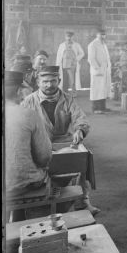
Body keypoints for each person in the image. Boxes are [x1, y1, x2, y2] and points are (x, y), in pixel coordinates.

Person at [21, 65, 99, 215]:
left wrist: (80, 130)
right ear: (38, 82)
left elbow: (80, 118)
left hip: (64, 140)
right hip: (38, 144)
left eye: (53, 81)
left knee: (82, 159)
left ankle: (82, 201)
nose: (49, 85)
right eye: (45, 81)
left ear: (59, 80)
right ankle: (46, 204)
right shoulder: (29, 101)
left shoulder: (68, 99)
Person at [5, 71, 52, 217]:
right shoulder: (28, 114)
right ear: (19, 90)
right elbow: (44, 156)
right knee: (50, 177)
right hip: (21, 185)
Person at [87, 28, 112, 114]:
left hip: (105, 70)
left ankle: (102, 107)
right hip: (97, 71)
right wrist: (98, 68)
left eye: (104, 34)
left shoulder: (103, 44)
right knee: (96, 89)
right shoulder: (93, 44)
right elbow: (91, 59)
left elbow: (106, 57)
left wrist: (108, 67)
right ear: (97, 35)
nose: (103, 36)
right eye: (101, 34)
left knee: (103, 89)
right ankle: (95, 108)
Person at [56, 30, 85, 95]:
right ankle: (64, 93)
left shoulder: (76, 45)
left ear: (73, 37)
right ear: (65, 37)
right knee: (64, 79)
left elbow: (82, 53)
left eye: (70, 37)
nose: (69, 38)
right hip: (64, 64)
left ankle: (74, 92)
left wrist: (76, 59)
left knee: (72, 80)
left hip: (72, 64)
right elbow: (59, 55)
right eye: (67, 37)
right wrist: (58, 64)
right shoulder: (62, 45)